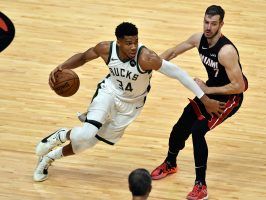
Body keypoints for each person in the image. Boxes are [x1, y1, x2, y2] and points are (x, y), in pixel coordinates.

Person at [33, 22, 224, 182]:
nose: (133, 47)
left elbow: (179, 74)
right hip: (109, 93)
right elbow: (83, 57)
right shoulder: (105, 49)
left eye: (136, 42)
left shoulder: (147, 58)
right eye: (128, 43)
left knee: (87, 143)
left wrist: (204, 99)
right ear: (118, 42)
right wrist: (62, 66)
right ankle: (59, 136)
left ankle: (49, 158)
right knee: (86, 132)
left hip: (130, 106)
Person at [150, 5, 248, 200]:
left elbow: (239, 86)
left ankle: (200, 186)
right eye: (206, 22)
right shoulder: (198, 39)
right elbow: (173, 52)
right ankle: (170, 163)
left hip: (230, 98)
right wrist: (150, 64)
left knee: (197, 131)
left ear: (221, 25)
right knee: (181, 125)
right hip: (210, 89)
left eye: (213, 23)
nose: (208, 27)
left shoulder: (226, 51)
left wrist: (207, 90)